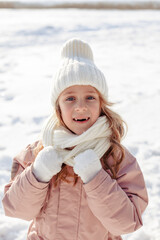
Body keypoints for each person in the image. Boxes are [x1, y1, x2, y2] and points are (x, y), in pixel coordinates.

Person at [2, 38, 148, 240]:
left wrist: (95, 177)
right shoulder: (36, 152)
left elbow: (127, 222)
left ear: (101, 104)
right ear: (58, 107)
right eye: (70, 98)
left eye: (90, 97)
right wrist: (38, 174)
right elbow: (16, 210)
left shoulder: (117, 157)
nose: (81, 106)